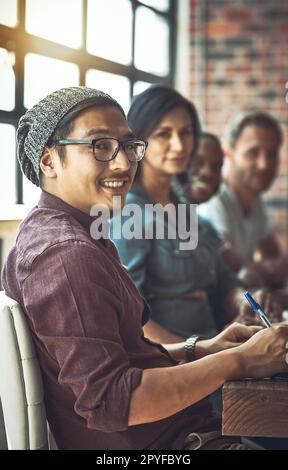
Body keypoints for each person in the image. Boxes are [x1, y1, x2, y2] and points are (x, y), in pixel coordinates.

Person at [2, 86, 288, 451]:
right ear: (49, 161)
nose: (123, 163)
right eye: (99, 146)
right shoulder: (65, 255)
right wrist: (238, 361)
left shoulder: (83, 232)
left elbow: (128, 353)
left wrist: (204, 348)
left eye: (127, 145)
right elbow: (113, 402)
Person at [111, 85, 282, 344]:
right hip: (177, 364)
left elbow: (223, 278)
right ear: (138, 141)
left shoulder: (187, 210)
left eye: (186, 132)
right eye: (164, 134)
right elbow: (129, 318)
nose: (179, 145)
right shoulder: (129, 215)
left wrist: (244, 299)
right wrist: (199, 353)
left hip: (214, 346)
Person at [198, 112, 288, 288]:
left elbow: (276, 259)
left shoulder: (256, 203)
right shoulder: (213, 199)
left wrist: (270, 267)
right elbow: (228, 266)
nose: (264, 164)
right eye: (253, 153)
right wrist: (264, 270)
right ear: (228, 155)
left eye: (271, 154)